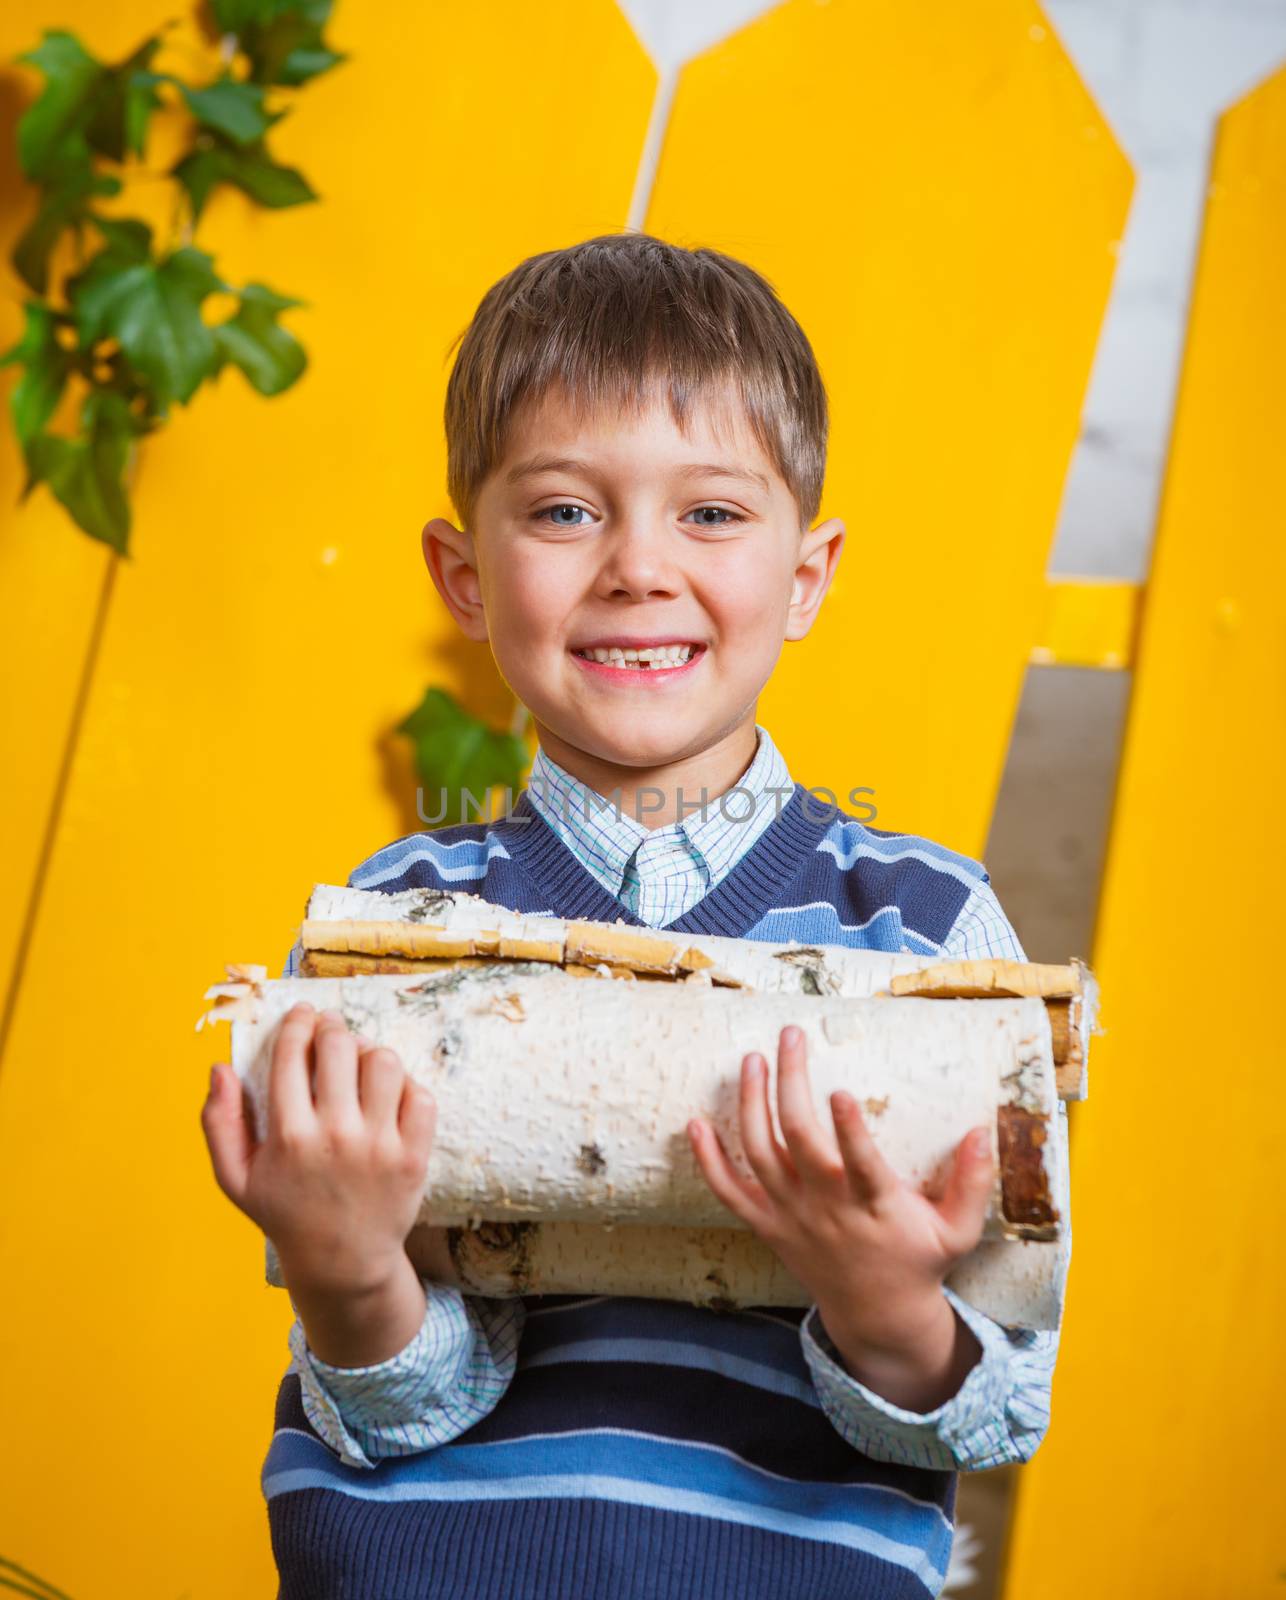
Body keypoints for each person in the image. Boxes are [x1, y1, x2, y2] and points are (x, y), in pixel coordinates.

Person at [201, 232, 1068, 1600]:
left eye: (710, 514)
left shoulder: (925, 931)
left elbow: (995, 1406)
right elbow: (395, 1405)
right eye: (563, 512)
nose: (636, 568)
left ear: (806, 575)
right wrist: (344, 1263)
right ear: (464, 577)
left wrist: (882, 1297)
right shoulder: (392, 930)